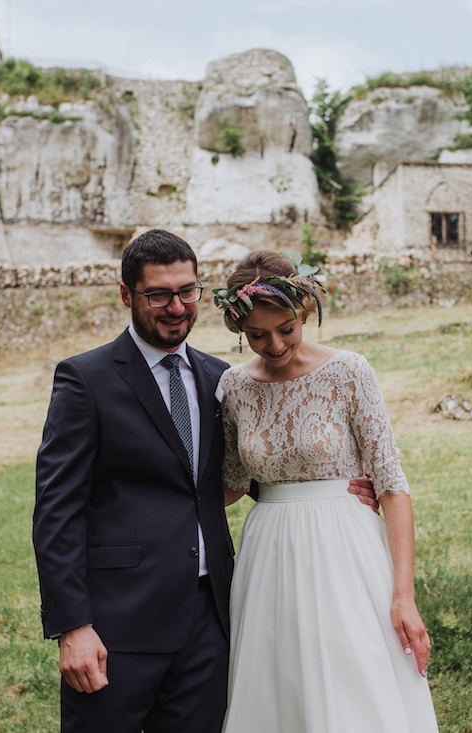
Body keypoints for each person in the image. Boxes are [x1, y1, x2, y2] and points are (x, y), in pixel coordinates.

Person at [33, 230, 376, 733]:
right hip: (117, 626)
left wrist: (340, 484)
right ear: (126, 294)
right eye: (158, 295)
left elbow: (249, 468)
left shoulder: (223, 379)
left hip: (212, 620)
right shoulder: (86, 379)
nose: (176, 307)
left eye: (186, 291)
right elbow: (56, 511)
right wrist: (73, 626)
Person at [215, 250, 440, 733]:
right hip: (268, 552)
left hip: (345, 546)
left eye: (286, 329)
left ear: (305, 311)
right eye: (257, 334)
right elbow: (231, 483)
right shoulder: (233, 386)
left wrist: (404, 595)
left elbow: (392, 485)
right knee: (278, 687)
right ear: (238, 328)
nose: (274, 344)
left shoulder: (349, 372)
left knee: (353, 680)